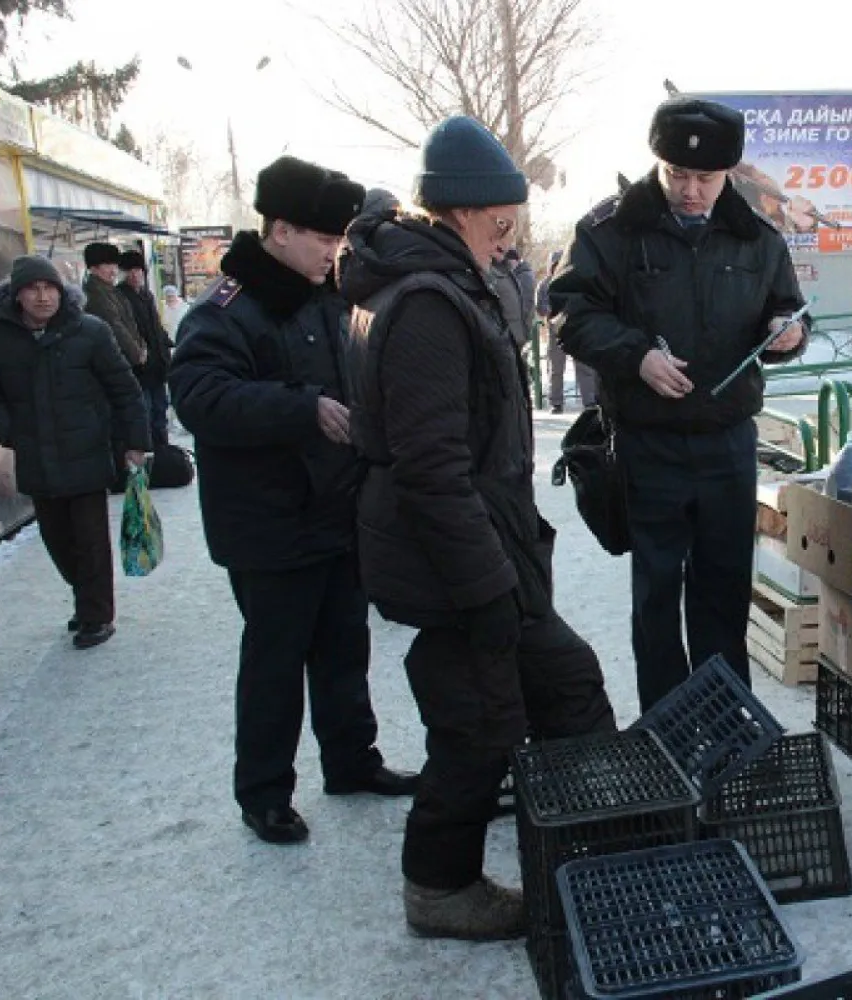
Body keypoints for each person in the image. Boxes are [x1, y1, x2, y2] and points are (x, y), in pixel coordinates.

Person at [341, 115, 616, 940]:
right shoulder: (425, 302)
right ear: (466, 209)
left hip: (482, 543)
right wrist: (487, 585)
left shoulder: (439, 283)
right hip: (457, 558)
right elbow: (432, 468)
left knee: (564, 683)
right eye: (506, 211)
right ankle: (440, 885)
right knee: (479, 724)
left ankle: (601, 846)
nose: (515, 226)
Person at [169, 155, 417, 848]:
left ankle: (352, 761)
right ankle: (265, 794)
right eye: (321, 239)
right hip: (268, 527)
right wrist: (300, 408)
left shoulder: (325, 297)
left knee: (345, 648)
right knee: (275, 663)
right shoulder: (227, 309)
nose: (333, 253)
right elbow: (199, 397)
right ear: (278, 230)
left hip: (336, 513)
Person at [552, 96, 809, 712]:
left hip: (728, 443)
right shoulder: (608, 231)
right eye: (678, 175)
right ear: (657, 163)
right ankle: (666, 729)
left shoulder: (757, 238)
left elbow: (788, 309)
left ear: (729, 175)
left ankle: (726, 729)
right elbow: (568, 310)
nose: (692, 191)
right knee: (658, 596)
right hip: (648, 443)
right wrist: (635, 355)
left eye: (706, 179)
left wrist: (788, 334)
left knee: (723, 593)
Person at [0, 255, 149, 649]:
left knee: (90, 539)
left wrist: (135, 442)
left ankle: (97, 616)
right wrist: (8, 431)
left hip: (86, 453)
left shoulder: (89, 331)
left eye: (50, 289)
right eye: (33, 289)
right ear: (17, 296)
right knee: (58, 540)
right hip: (35, 456)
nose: (43, 297)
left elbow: (124, 389)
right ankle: (86, 598)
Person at [118, 251, 173, 447]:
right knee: (145, 413)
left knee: (160, 411)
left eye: (137, 270)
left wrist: (168, 344)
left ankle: (163, 452)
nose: (134, 274)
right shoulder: (121, 296)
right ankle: (152, 454)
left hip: (157, 366)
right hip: (139, 369)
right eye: (129, 270)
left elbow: (156, 328)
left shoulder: (147, 295)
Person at [537, 249, 596, 413]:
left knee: (584, 367)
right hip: (555, 330)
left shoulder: (574, 280)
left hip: (576, 328)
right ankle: (556, 402)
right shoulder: (544, 285)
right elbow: (540, 306)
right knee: (556, 368)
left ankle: (589, 401)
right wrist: (551, 314)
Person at [81, 242, 145, 369]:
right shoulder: (95, 294)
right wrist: (137, 353)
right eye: (107, 265)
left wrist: (141, 346)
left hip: (127, 359)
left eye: (114, 265)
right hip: (114, 362)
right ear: (93, 268)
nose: (113, 271)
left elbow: (130, 323)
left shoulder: (111, 290)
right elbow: (115, 326)